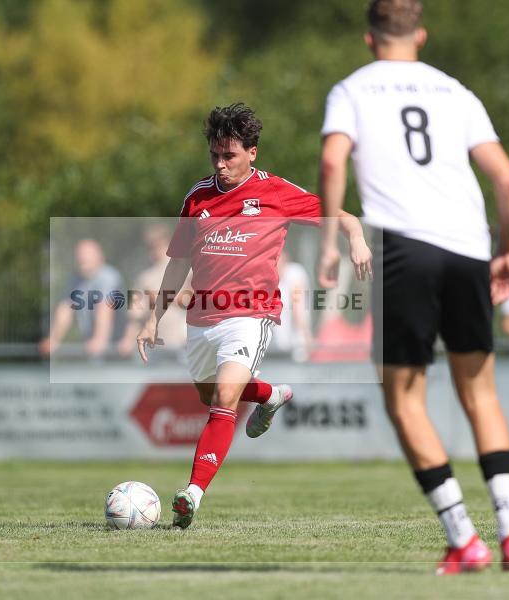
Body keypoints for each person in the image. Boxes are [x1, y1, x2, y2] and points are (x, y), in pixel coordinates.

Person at [317, 0, 509, 574]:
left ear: (370, 39)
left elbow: (333, 164)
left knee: (405, 399)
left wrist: (329, 242)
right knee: (480, 393)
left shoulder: (352, 90)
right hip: (468, 249)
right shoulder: (456, 92)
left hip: (404, 250)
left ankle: (464, 539)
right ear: (422, 36)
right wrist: (508, 250)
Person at [137, 103, 371, 529]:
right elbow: (178, 263)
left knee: (224, 399)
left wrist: (356, 237)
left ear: (252, 153)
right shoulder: (197, 198)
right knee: (210, 395)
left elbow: (341, 216)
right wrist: (154, 317)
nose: (220, 164)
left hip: (250, 314)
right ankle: (270, 394)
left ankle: (192, 494)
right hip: (202, 317)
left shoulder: (276, 193)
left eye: (229, 156)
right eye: (214, 155)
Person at [39, 239, 126, 359]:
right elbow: (65, 309)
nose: (82, 258)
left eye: (87, 255)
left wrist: (100, 339)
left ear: (100, 256)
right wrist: (53, 339)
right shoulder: (75, 279)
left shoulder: (108, 276)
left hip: (119, 349)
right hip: (93, 348)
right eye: (79, 255)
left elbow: (105, 307)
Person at [117, 223, 190, 358]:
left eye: (158, 245)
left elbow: (200, 301)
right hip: (155, 348)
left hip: (184, 345)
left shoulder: (188, 269)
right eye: (151, 246)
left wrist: (165, 297)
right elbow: (134, 317)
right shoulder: (143, 277)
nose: (155, 250)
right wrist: (127, 340)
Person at [270, 252, 313, 362]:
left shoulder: (295, 273)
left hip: (297, 345)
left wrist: (305, 334)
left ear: (285, 258)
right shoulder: (269, 279)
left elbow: (297, 306)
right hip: (277, 347)